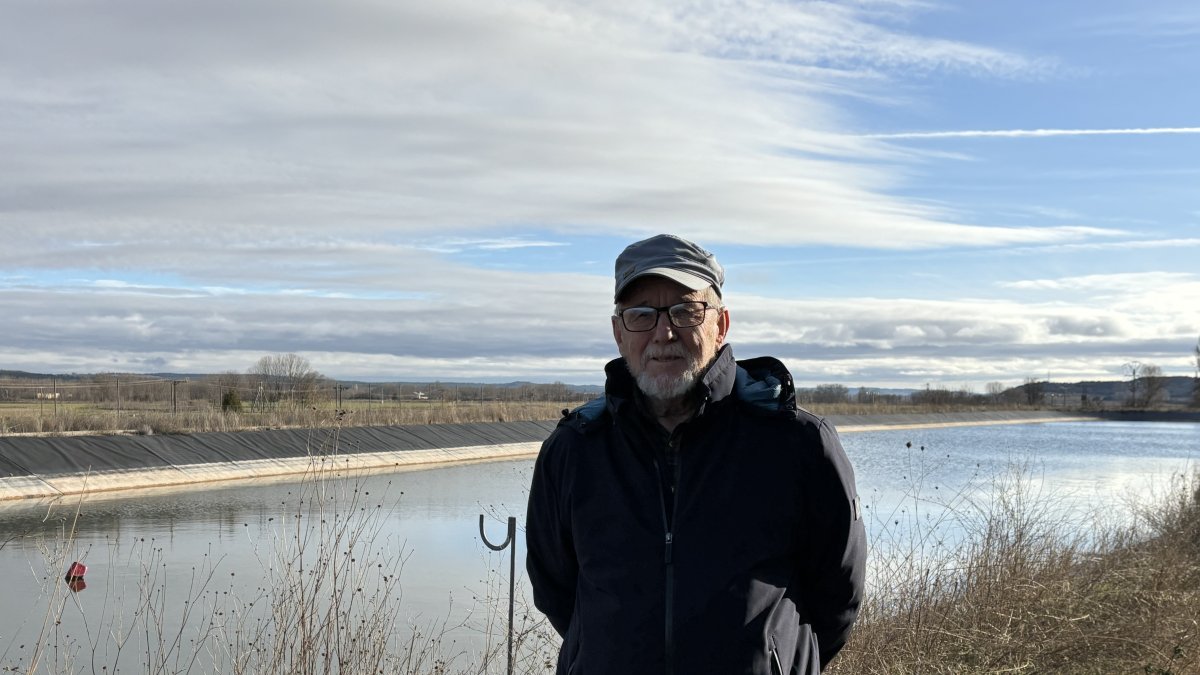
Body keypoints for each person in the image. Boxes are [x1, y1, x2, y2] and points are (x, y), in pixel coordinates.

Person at [526, 234, 867, 675]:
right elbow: (556, 591)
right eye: (641, 315)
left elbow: (838, 595)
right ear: (618, 333)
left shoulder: (798, 444)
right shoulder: (574, 450)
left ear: (721, 325)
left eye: (687, 311)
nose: (663, 333)